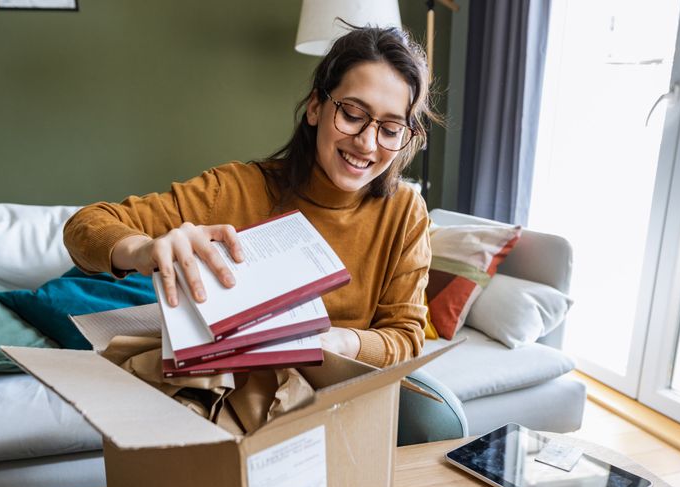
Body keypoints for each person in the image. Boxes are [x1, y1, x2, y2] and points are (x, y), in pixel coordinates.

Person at [64, 26, 466, 441]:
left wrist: (340, 344)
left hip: (344, 387)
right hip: (239, 394)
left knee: (438, 420)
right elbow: (85, 225)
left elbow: (405, 336)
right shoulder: (236, 189)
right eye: (352, 114)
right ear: (315, 108)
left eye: (390, 128)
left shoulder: (404, 211)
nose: (367, 142)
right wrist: (141, 248)